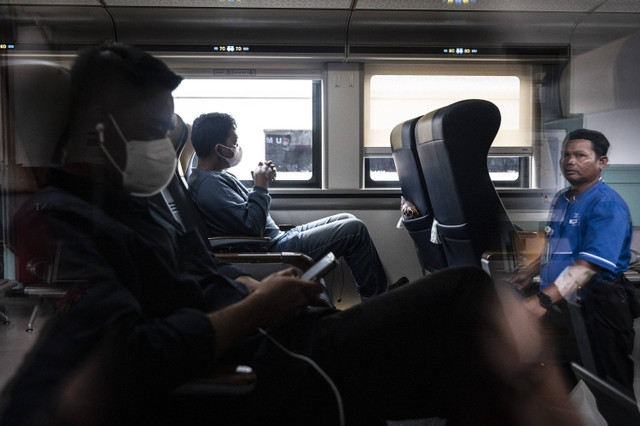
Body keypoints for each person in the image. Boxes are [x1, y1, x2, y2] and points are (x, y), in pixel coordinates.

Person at [0, 43, 582, 426]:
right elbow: (131, 356)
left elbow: (198, 269)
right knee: (467, 296)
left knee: (476, 365)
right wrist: (258, 307)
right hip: (266, 357)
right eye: (154, 129)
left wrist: (253, 283)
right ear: (99, 133)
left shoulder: (141, 201)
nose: (167, 144)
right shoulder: (60, 220)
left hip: (274, 319)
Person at [187, 112, 390, 300]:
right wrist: (261, 185)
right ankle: (378, 300)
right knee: (354, 230)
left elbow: (242, 213)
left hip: (274, 239)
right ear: (220, 149)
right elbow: (252, 227)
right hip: (268, 249)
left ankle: (379, 295)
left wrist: (260, 182)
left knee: (346, 218)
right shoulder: (209, 186)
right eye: (234, 142)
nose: (238, 147)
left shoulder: (216, 178)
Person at [511, 129, 639, 398]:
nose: (570, 161)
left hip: (598, 307)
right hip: (562, 305)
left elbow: (588, 266)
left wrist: (542, 300)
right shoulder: (562, 198)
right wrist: (530, 272)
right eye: (567, 155)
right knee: (550, 383)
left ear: (601, 162)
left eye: (581, 155)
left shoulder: (607, 205)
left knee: (612, 392)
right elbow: (554, 244)